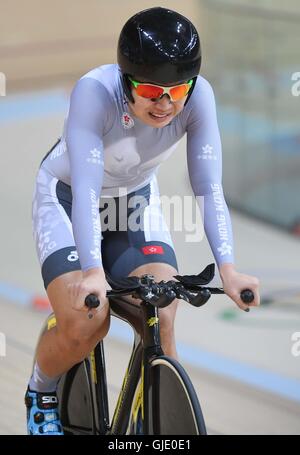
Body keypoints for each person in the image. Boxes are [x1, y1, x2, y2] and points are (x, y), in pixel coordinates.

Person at [25, 7, 260, 435]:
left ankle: (147, 421)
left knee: (164, 309)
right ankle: (41, 390)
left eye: (177, 90)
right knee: (86, 322)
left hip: (132, 201)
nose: (166, 103)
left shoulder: (200, 97)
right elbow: (87, 189)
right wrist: (93, 273)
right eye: (152, 90)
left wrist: (228, 268)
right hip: (70, 198)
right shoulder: (94, 93)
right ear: (126, 80)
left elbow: (207, 189)